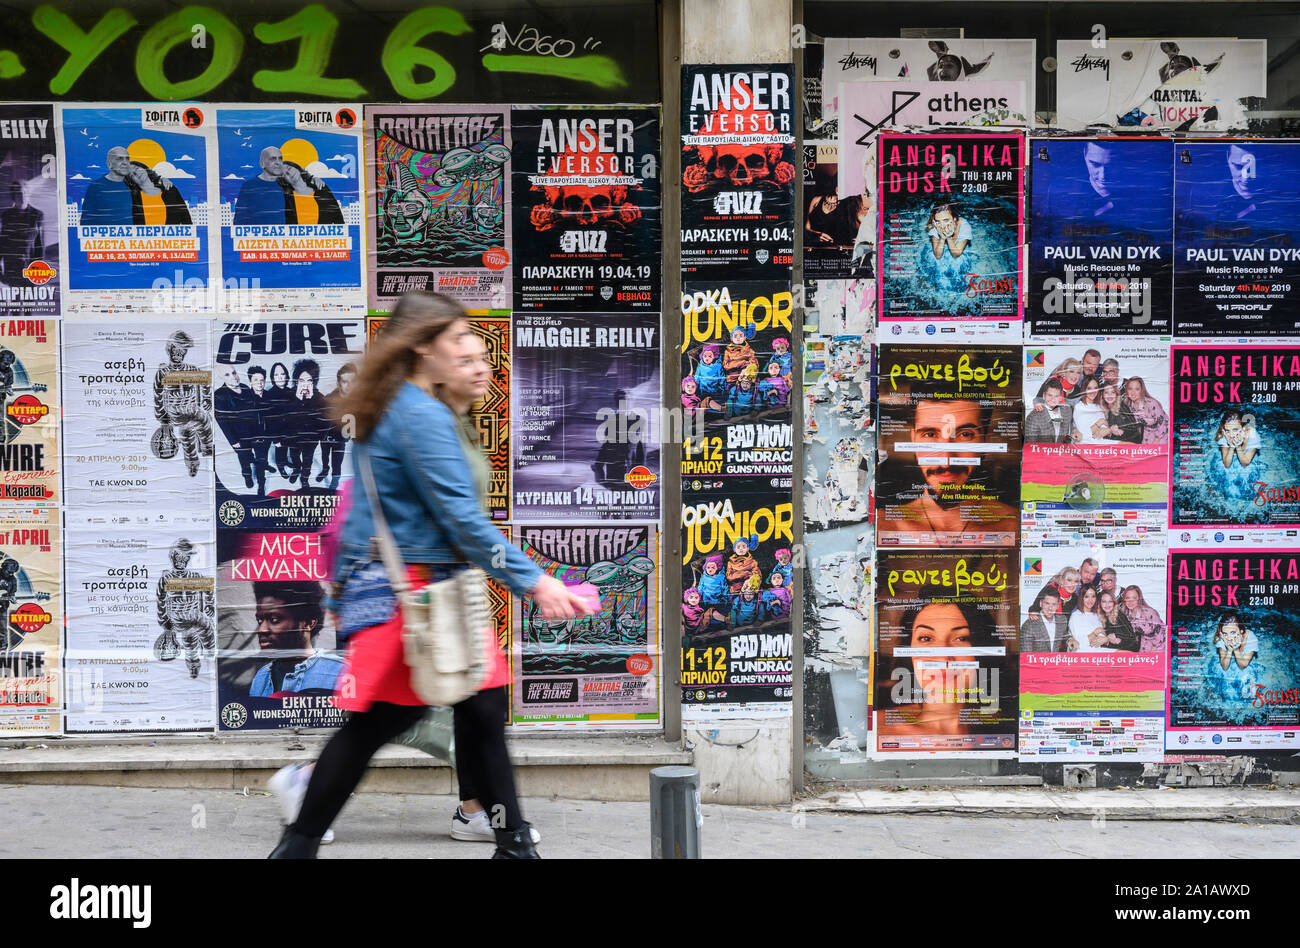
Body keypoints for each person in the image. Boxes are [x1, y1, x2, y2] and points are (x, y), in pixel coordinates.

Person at [269, 291, 593, 859]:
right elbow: (463, 522)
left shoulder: (419, 406)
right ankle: (298, 846)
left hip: (430, 586)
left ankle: (512, 842)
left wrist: (464, 404)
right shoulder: (415, 414)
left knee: (480, 710)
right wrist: (538, 583)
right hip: (412, 592)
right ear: (423, 348)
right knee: (382, 721)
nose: (472, 347)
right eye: (458, 339)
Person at [883, 396, 1019, 542]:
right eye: (930, 435)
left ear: (985, 441)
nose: (946, 462)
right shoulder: (883, 527)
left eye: (965, 435)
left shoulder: (1016, 527)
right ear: (913, 440)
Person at [248, 580, 343, 697]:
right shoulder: (261, 678)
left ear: (308, 623)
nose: (261, 630)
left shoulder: (339, 671)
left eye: (274, 619)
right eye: (260, 620)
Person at [153, 330, 214, 479]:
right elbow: (158, 396)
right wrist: (164, 420)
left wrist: (206, 399)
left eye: (182, 351)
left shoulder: (191, 370)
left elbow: (206, 382)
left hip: (191, 408)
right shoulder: (163, 372)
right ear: (170, 350)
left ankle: (207, 450)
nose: (178, 355)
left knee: (203, 420)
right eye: (175, 350)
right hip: (175, 412)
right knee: (186, 434)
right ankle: (193, 463)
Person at [81, 146, 190, 226]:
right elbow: (86, 221)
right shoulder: (98, 187)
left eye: (127, 159)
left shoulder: (168, 189)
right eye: (119, 159)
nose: (125, 162)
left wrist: (161, 179)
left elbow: (186, 220)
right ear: (109, 163)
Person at [234, 145, 344, 225]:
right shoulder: (249, 186)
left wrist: (312, 179)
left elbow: (338, 218)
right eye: (273, 159)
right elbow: (239, 221)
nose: (278, 162)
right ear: (262, 163)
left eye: (280, 158)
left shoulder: (287, 186)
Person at [287, 359, 330, 488]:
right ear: (296, 381)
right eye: (302, 380)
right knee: (294, 456)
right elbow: (285, 419)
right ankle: (296, 470)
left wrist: (311, 401)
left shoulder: (319, 398)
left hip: (310, 439)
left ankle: (304, 478)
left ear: (314, 381)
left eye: (309, 380)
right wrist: (298, 400)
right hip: (293, 437)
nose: (305, 385)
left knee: (307, 460)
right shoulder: (289, 395)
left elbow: (323, 422)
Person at [918, 202, 977, 293]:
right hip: (940, 249)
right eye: (938, 221)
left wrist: (949, 238)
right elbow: (937, 256)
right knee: (931, 260)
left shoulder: (964, 226)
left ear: (954, 219)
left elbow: (956, 254)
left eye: (946, 220)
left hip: (956, 250)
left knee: (960, 264)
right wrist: (942, 238)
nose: (942, 225)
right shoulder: (935, 226)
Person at [214, 367, 257, 489]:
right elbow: (222, 421)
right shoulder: (219, 395)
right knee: (243, 457)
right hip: (238, 435)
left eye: (234, 372)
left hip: (252, 431)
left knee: (252, 451)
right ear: (221, 378)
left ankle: (252, 459)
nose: (233, 377)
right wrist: (233, 440)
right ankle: (247, 476)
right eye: (227, 375)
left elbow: (254, 408)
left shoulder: (245, 387)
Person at [1208, 410, 1263, 502]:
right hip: (1230, 454)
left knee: (1249, 476)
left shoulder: (1252, 435)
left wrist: (1237, 447)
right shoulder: (1224, 435)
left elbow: (1245, 463)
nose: (1231, 435)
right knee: (1221, 472)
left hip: (1246, 457)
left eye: (1235, 430)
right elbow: (1227, 464)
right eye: (1228, 430)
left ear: (1244, 428)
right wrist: (1231, 447)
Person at [1206, 612, 1260, 701]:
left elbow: (1243, 666)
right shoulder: (1222, 638)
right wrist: (1230, 650)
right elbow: (1224, 667)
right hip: (1227, 661)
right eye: (1225, 633)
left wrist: (1236, 649)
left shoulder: (1251, 638)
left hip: (1242, 663)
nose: (1229, 638)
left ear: (1241, 631)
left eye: (1233, 632)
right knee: (1218, 672)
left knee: (1248, 677)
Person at [0, 182, 43, 286]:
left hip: (30, 265)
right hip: (12, 266)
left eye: (25, 192)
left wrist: (40, 268)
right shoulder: (6, 216)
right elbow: (2, 243)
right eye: (19, 193)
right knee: (15, 299)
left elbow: (39, 244)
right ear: (14, 197)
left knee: (31, 299)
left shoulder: (37, 215)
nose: (22, 196)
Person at [264, 362, 295, 479]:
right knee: (279, 449)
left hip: (289, 430)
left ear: (286, 376)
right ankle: (280, 466)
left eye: (282, 374)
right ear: (273, 378)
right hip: (277, 431)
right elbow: (269, 420)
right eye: (277, 375)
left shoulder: (291, 392)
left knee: (286, 447)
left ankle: (286, 461)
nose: (280, 377)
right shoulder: (269, 395)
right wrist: (275, 439)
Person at [1024, 378, 1074, 443]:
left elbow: (1068, 436)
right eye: (1050, 395)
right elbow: (1030, 445)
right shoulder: (1033, 417)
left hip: (1061, 452)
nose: (1053, 399)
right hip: (1042, 452)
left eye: (1056, 396)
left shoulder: (1067, 411)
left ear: (1060, 397)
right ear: (1044, 396)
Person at [1020, 586, 1068, 653]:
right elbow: (1026, 656)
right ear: (1040, 603)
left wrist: (1070, 640)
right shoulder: (1028, 626)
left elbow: (1065, 635)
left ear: (1057, 606)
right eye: (1047, 603)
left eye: (1054, 604)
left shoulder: (1062, 620)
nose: (1050, 608)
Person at [1123, 377, 1168, 445]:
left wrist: (1156, 440)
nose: (1133, 392)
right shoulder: (1129, 405)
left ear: (1142, 390)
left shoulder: (1152, 403)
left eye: (1137, 389)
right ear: (1126, 390)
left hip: (1162, 433)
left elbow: (1163, 424)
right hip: (1146, 435)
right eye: (1130, 389)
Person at [1122, 585, 1166, 653]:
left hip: (1154, 650)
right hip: (1137, 652)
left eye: (1134, 598)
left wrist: (1156, 649)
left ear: (1139, 599)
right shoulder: (1125, 615)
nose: (1130, 601)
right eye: (1127, 598)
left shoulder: (1150, 613)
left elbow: (1162, 632)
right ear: (1124, 600)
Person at [1066, 585, 1105, 652]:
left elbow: (1101, 636)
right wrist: (1095, 633)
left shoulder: (1096, 615)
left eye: (1093, 596)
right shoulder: (1075, 616)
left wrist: (1105, 639)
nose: (1090, 600)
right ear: (1082, 598)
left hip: (1098, 653)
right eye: (1086, 596)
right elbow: (1077, 644)